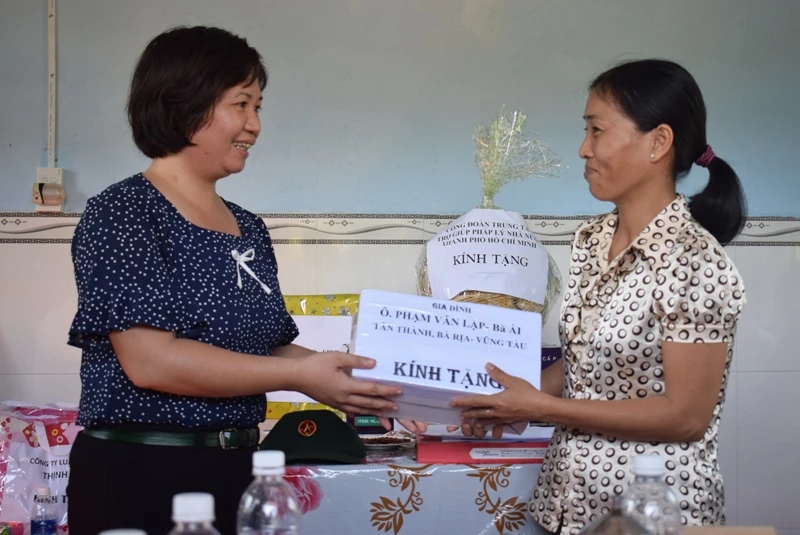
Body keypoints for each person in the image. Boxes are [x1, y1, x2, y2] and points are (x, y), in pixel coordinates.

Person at [65, 26, 407, 535]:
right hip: (140, 472)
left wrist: (362, 383)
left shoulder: (249, 227)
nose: (255, 125)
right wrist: (301, 377)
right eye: (241, 104)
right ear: (183, 104)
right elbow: (151, 361)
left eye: (258, 107)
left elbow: (271, 348)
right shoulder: (124, 212)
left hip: (238, 470)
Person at [451, 59, 746, 534]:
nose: (583, 148)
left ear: (658, 142)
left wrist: (541, 408)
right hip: (567, 504)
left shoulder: (695, 260)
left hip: (654, 512)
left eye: (597, 130)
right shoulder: (591, 240)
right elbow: (583, 364)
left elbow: (686, 416)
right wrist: (506, 400)